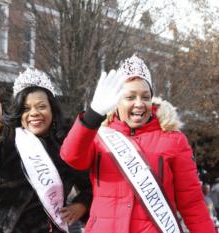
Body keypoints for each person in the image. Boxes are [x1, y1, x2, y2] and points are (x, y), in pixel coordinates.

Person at [60, 54, 216, 233]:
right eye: (130, 97)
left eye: (145, 96)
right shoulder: (98, 136)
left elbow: (192, 204)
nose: (139, 104)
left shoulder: (173, 139)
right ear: (117, 101)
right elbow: (71, 156)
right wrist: (93, 115)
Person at [0, 68, 92, 233]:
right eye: (26, 108)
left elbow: (91, 186)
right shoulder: (8, 136)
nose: (34, 113)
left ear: (52, 110)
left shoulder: (67, 146)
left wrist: (81, 205)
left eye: (41, 106)